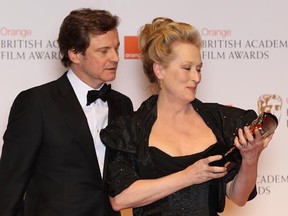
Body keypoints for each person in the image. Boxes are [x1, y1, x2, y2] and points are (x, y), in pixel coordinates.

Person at [100, 17, 274, 215]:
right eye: (186, 68)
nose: (196, 77)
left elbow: (238, 196)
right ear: (159, 70)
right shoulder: (132, 127)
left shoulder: (218, 121)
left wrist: (250, 159)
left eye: (199, 69)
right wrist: (189, 176)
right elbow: (120, 198)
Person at [0, 8, 133, 216]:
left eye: (117, 48)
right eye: (104, 50)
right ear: (75, 53)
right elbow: (9, 187)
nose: (115, 58)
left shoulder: (123, 105)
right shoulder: (36, 103)